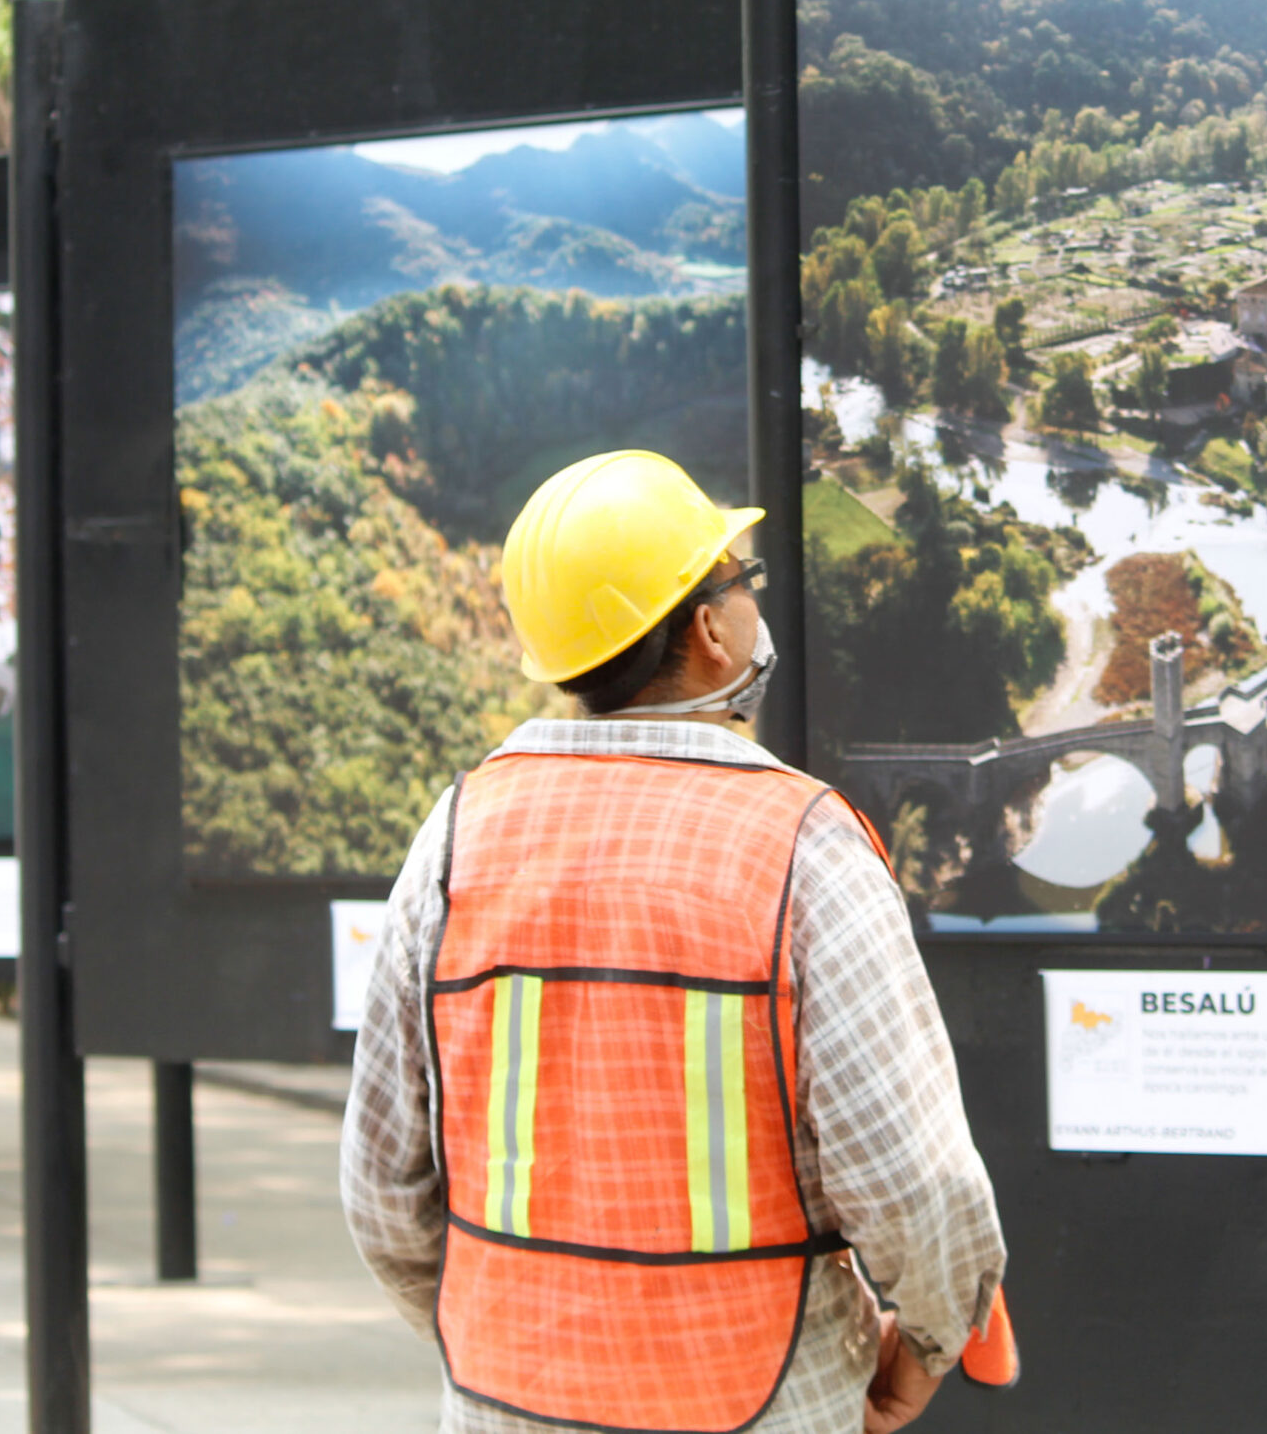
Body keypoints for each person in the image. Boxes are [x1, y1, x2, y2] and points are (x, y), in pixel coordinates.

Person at [342, 449, 1005, 1434]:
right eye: (739, 582)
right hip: (762, 1397)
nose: (749, 606)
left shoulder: (455, 838)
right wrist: (923, 1350)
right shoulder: (803, 848)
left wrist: (497, 1336)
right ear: (709, 630)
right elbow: (917, 1183)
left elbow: (383, 1190)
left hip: (506, 1402)